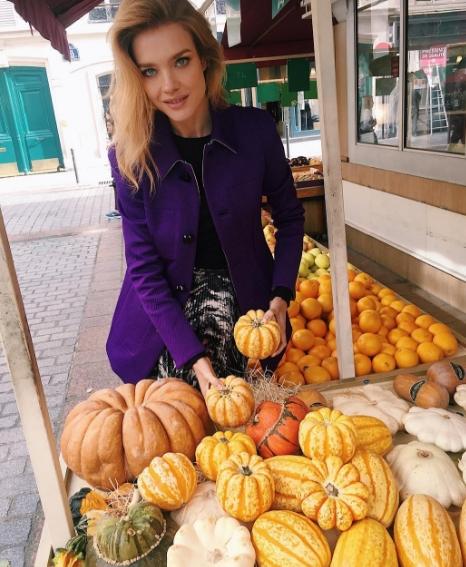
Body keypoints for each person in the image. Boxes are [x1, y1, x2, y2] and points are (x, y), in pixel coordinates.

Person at [105, 0, 304, 398]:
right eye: (149, 71)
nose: (169, 85)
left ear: (204, 60)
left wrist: (281, 296)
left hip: (246, 321)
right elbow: (143, 267)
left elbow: (290, 218)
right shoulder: (130, 155)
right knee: (174, 428)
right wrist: (193, 358)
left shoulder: (255, 132)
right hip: (163, 330)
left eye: (180, 61)